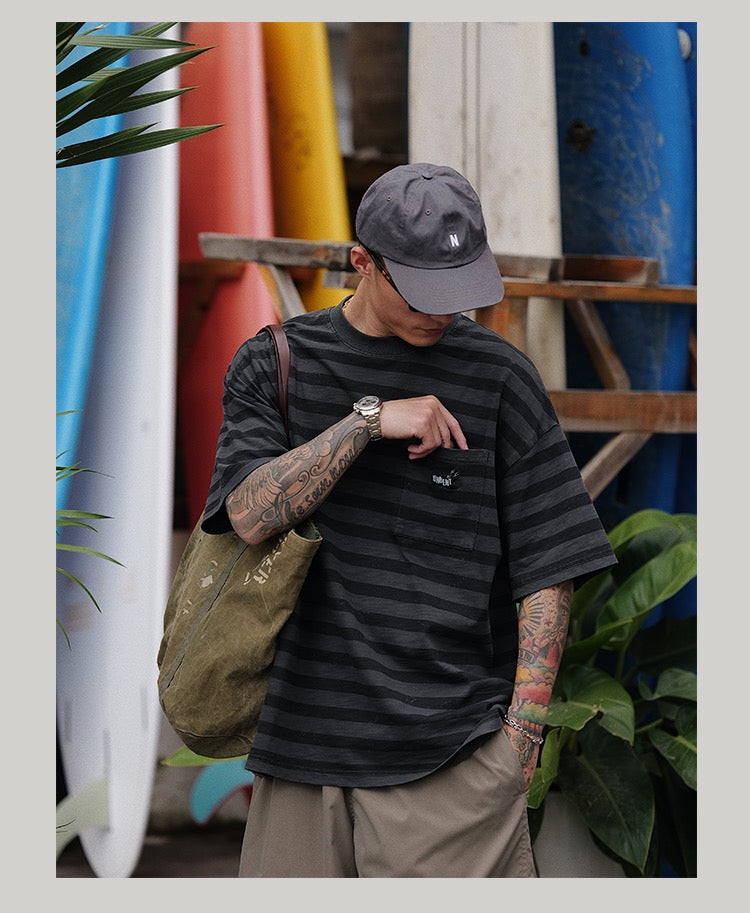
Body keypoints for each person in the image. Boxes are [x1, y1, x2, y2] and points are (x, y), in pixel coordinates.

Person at [201, 162, 617, 877]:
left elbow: (550, 566)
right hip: (301, 751)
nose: (442, 312)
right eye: (423, 290)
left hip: (451, 760)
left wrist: (522, 734)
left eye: (459, 290)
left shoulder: (502, 379)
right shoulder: (277, 364)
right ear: (362, 263)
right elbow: (247, 513)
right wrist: (366, 422)